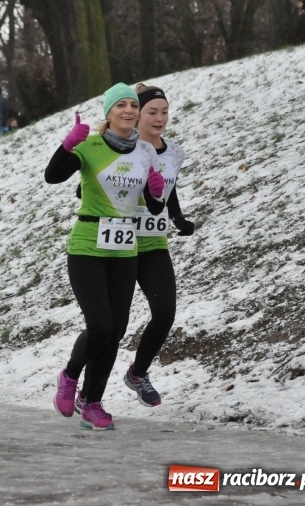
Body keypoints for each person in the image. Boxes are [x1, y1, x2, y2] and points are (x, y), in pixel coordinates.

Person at [44, 83, 165, 430]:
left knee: (116, 330)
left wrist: (155, 194)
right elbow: (53, 177)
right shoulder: (91, 144)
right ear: (108, 113)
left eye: (132, 105)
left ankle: (93, 402)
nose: (128, 110)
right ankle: (68, 377)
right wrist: (66, 145)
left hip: (125, 249)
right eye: (120, 105)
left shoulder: (144, 152)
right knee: (100, 324)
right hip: (87, 247)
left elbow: (152, 204)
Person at [122, 83, 193, 407]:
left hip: (152, 243)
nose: (160, 118)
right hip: (118, 244)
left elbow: (167, 189)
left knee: (164, 312)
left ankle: (137, 373)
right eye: (152, 112)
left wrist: (177, 218)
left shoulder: (174, 152)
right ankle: (88, 392)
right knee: (109, 324)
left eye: (164, 111)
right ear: (137, 116)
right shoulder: (123, 148)